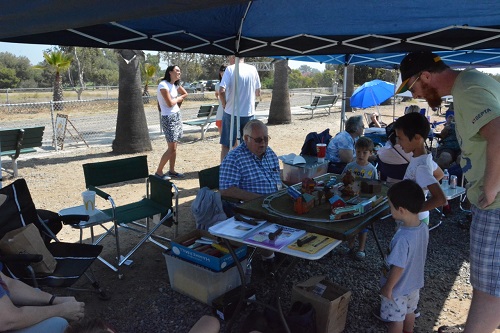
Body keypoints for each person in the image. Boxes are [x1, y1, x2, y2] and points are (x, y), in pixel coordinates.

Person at [396, 50, 500, 333]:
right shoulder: (474, 82)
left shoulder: (467, 89)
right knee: (486, 282)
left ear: (426, 76)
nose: (415, 95)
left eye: (413, 87)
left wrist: (490, 190)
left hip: (496, 205)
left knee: (491, 289)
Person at [219, 119, 280, 263]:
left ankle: (285, 252)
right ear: (246, 139)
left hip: (272, 202)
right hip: (249, 207)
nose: (263, 143)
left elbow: (277, 178)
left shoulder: (269, 153)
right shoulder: (234, 158)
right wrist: (258, 199)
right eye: (258, 140)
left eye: (266, 139)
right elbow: (226, 190)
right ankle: (269, 258)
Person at [380, 179, 428, 333]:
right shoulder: (423, 227)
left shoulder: (402, 238)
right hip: (414, 284)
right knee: (410, 311)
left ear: (401, 210)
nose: (390, 209)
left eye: (390, 206)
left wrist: (388, 288)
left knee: (395, 320)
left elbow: (398, 267)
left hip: (398, 288)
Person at [393, 112, 447, 226]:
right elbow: (439, 174)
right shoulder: (424, 159)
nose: (398, 142)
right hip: (417, 219)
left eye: (400, 138)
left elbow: (441, 199)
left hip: (414, 221)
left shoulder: (421, 167)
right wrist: (423, 190)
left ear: (417, 138)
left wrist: (412, 210)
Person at [0, 264, 85, 333]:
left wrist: (55, 300)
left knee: (36, 293)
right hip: (6, 320)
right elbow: (8, 320)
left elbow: (8, 283)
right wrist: (61, 310)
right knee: (57, 324)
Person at [340, 136, 378, 260]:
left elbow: (376, 188)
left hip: (364, 202)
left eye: (365, 152)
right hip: (349, 200)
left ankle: (361, 248)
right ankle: (350, 245)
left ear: (371, 153)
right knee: (350, 223)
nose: (361, 155)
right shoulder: (350, 166)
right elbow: (342, 180)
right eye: (358, 152)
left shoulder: (371, 169)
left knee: (363, 226)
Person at [219, 56, 261, 161]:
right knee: (248, 146)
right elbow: (258, 92)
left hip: (231, 113)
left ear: (233, 57)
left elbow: (221, 90)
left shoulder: (230, 69)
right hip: (249, 113)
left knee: (226, 145)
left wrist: (224, 104)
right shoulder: (253, 69)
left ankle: (224, 171)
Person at [155, 65, 188, 179]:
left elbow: (185, 93)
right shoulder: (163, 85)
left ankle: (172, 171)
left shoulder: (174, 85)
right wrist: (178, 99)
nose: (179, 72)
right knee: (171, 148)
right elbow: (169, 103)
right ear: (170, 72)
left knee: (174, 146)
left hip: (176, 116)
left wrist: (178, 100)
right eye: (177, 71)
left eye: (180, 70)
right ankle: (159, 172)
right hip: (168, 118)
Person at [214, 65, 227, 138]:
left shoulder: (231, 84)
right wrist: (220, 100)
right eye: (221, 71)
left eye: (224, 71)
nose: (222, 72)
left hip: (229, 110)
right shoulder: (217, 85)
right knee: (221, 133)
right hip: (221, 110)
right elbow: (216, 93)